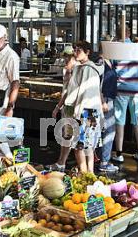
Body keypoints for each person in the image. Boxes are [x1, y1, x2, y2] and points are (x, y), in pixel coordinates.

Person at [60, 41, 104, 174]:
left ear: (88, 52)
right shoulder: (82, 67)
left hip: (84, 111)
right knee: (87, 146)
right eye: (75, 49)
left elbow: (83, 93)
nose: (76, 52)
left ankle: (86, 173)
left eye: (79, 50)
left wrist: (77, 113)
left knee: (79, 146)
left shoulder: (88, 69)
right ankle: (89, 173)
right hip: (90, 111)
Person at [112, 24, 138, 164]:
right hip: (137, 90)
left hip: (121, 90)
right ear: (130, 34)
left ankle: (119, 153)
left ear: (117, 34)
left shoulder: (114, 48)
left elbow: (109, 67)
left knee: (119, 122)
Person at [51, 47, 76, 171]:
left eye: (69, 56)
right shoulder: (67, 68)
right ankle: (61, 161)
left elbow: (68, 92)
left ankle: (62, 162)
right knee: (65, 135)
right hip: (66, 105)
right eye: (65, 56)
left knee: (67, 135)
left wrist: (57, 106)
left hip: (69, 105)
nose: (66, 58)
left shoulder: (74, 69)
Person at [97, 49, 119, 173]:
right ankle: (104, 162)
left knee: (105, 130)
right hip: (105, 99)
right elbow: (98, 83)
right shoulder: (101, 63)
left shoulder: (110, 62)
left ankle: (101, 159)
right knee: (109, 131)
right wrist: (103, 101)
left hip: (109, 98)